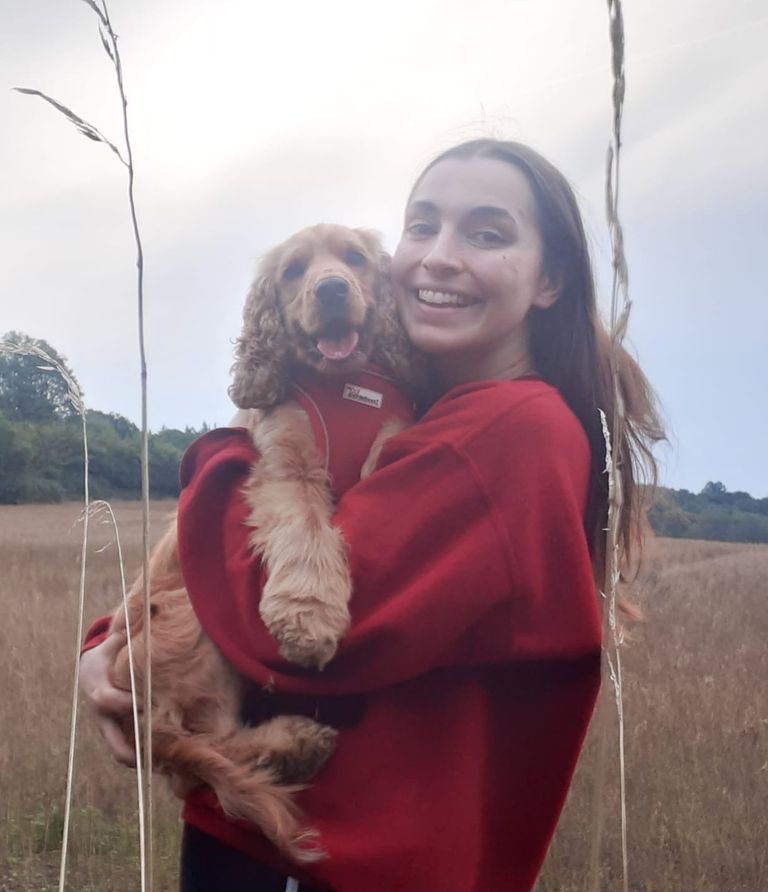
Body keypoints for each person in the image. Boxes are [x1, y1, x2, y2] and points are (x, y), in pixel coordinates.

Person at [80, 139, 663, 891]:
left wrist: (223, 454)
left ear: (549, 279)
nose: (438, 256)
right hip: (284, 825)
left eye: (486, 233)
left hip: (339, 851)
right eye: (422, 227)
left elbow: (283, 632)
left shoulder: (507, 433)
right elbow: (210, 590)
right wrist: (108, 643)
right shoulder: (439, 413)